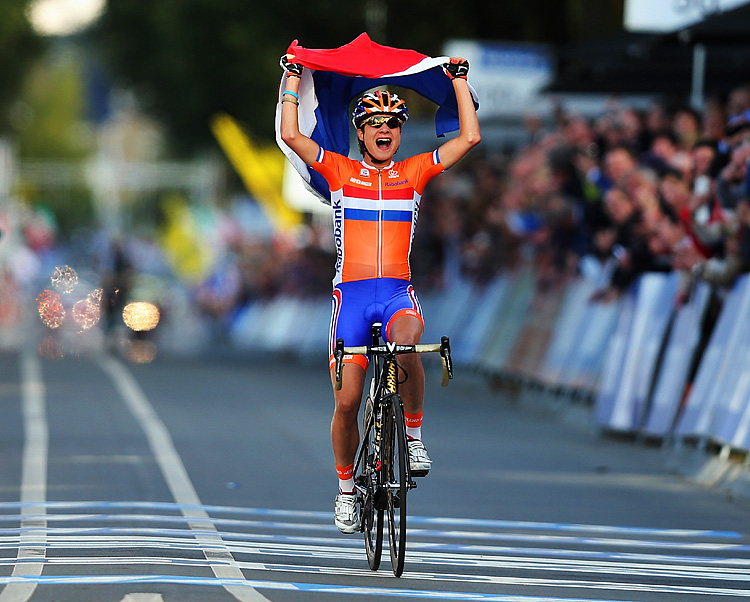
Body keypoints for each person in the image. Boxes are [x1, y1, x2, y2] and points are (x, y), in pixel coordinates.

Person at [279, 54, 481, 533]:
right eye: (375, 123)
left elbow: (468, 138)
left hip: (396, 294)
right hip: (349, 298)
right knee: (347, 401)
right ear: (362, 132)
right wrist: (291, 76)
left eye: (393, 123)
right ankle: (346, 490)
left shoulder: (412, 172)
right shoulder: (340, 171)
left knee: (408, 343)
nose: (385, 130)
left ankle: (412, 437)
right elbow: (291, 135)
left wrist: (458, 82)